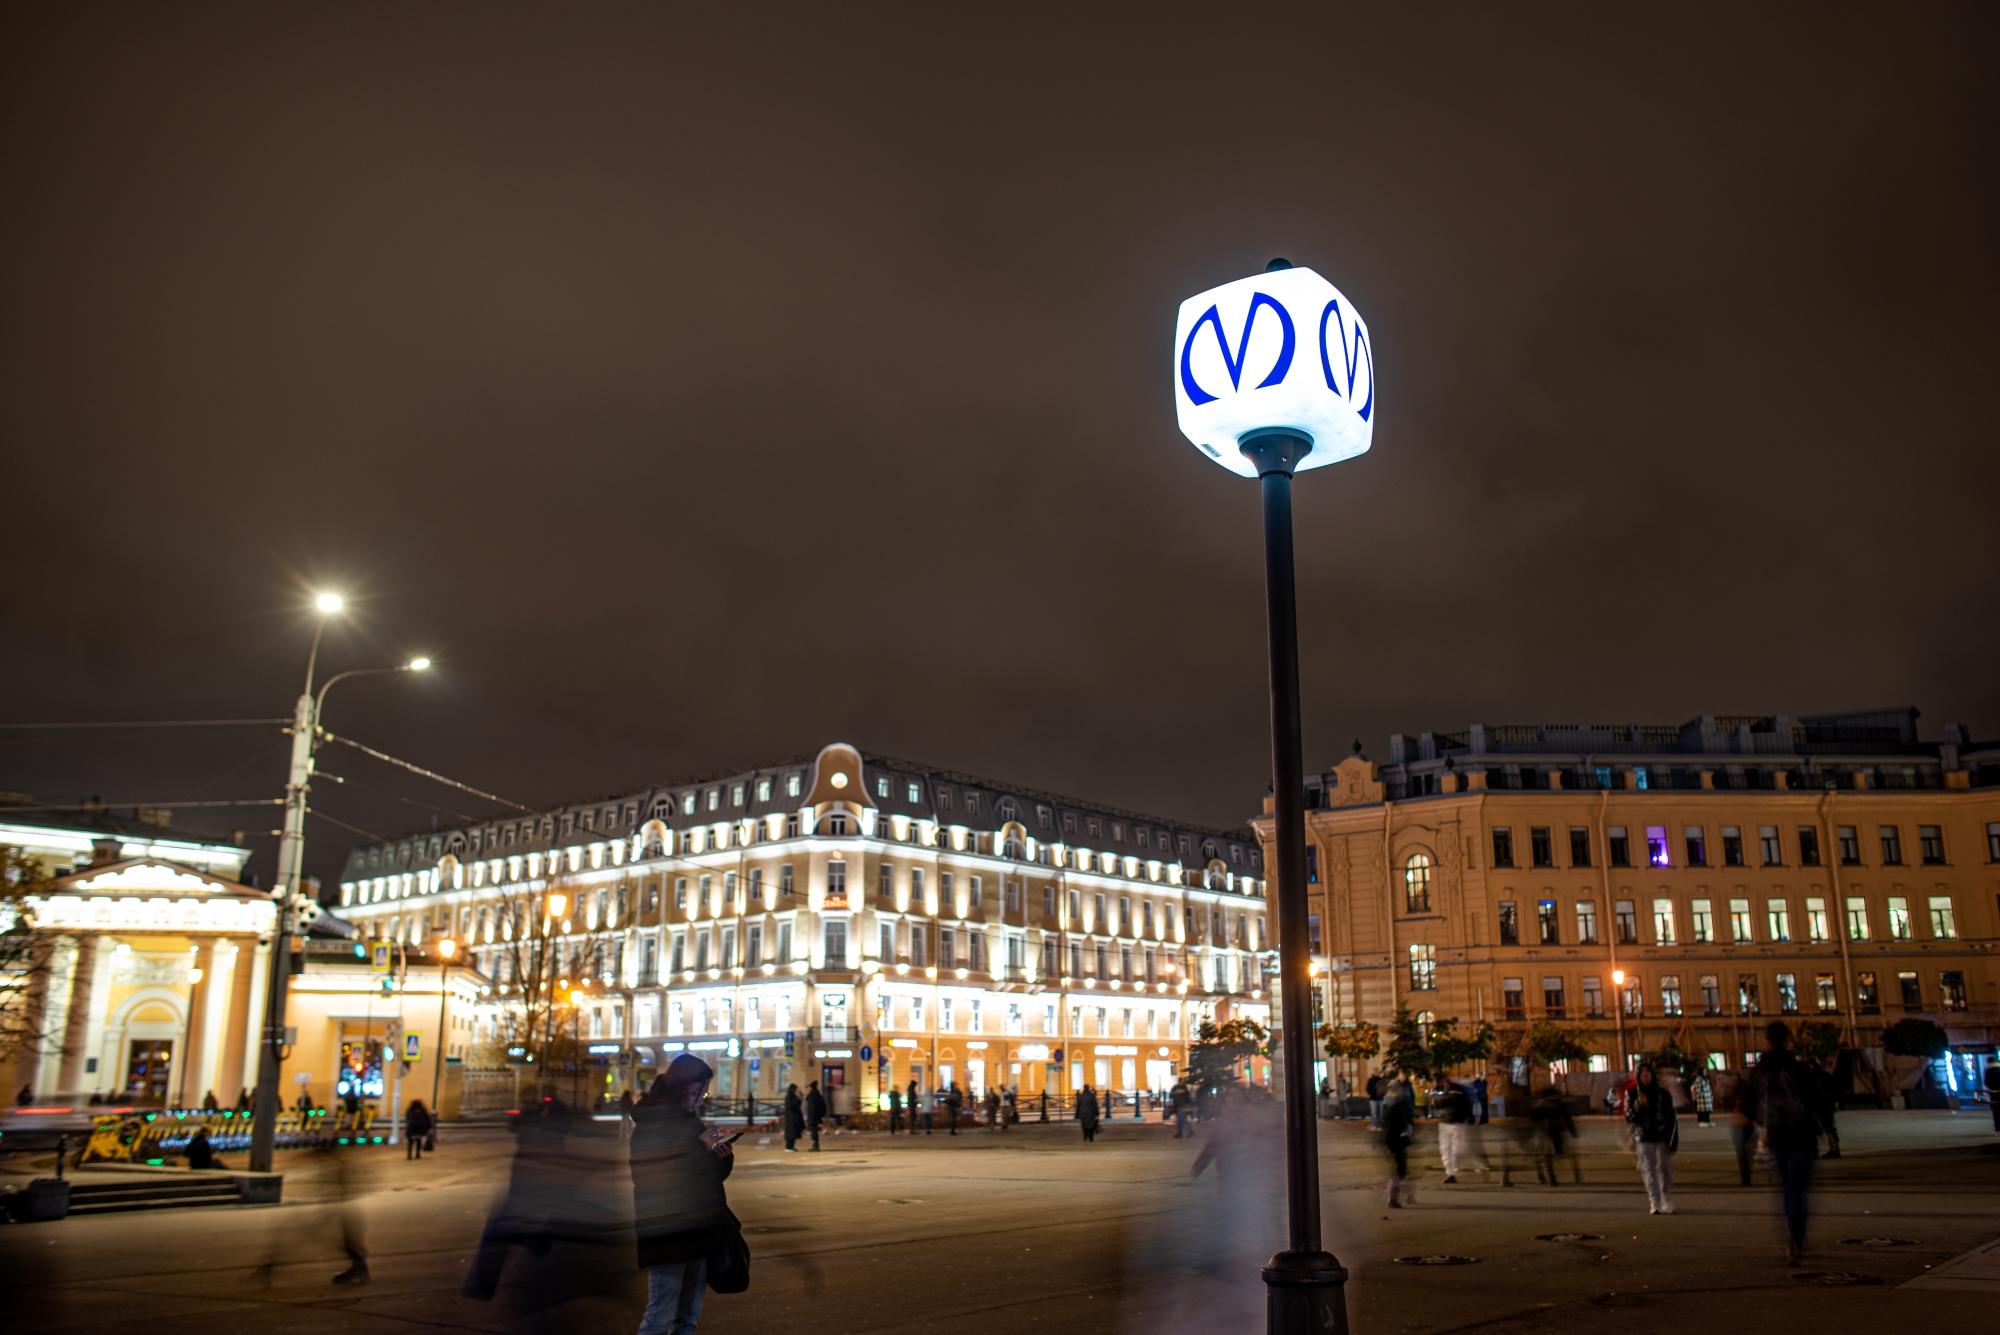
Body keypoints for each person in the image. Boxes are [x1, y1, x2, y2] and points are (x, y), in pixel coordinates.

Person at [631, 1054, 737, 1335]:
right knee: (660, 1315)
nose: (700, 1100)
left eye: (703, 1092)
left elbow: (708, 1177)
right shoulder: (652, 1123)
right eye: (695, 1093)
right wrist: (697, 1145)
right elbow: (654, 1177)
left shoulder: (689, 1122)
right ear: (679, 1088)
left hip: (699, 1230)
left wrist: (720, 1154)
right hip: (669, 1232)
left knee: (688, 1316)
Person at [1742, 1020, 1836, 1266]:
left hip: (1778, 1137)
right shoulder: (1798, 1067)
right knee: (1799, 1189)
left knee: (1787, 1188)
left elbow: (1749, 1104)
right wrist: (1827, 1128)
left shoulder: (1762, 1069)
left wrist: (1755, 1125)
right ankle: (1797, 1235)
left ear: (1767, 1040)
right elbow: (1820, 1099)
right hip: (1803, 1137)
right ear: (1787, 1039)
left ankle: (1793, 1236)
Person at [1626, 1062, 1678, 1215]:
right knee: (1649, 1171)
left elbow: (1671, 1118)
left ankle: (1666, 1199)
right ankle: (1654, 1202)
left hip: (1661, 1136)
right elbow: (1629, 1117)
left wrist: (1673, 1140)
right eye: (1642, 1073)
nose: (1646, 1075)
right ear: (1638, 1076)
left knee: (1664, 1169)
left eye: (1648, 1072)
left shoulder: (1663, 1094)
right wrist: (1638, 1105)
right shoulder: (1632, 1093)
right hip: (1643, 1137)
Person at [1528, 1085, 1576, 1186]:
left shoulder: (1546, 1104)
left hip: (1548, 1131)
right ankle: (1550, 1177)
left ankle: (1545, 1176)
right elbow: (1566, 1118)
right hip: (1547, 1131)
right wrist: (1572, 1131)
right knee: (1547, 1154)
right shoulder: (1553, 1104)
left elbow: (1566, 1118)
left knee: (1544, 1154)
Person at [1382, 1077, 1416, 1207]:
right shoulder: (1397, 1104)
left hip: (1392, 1139)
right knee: (1400, 1170)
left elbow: (1385, 1123)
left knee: (1399, 1170)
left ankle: (1405, 1196)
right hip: (1397, 1140)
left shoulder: (1387, 1102)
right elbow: (1399, 1123)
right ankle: (1394, 1198)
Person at [1435, 1079, 1473, 1183]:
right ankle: (1451, 1171)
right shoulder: (1461, 1095)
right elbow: (1468, 1107)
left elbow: (1438, 1104)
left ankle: (1451, 1172)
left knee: (1448, 1149)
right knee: (1453, 1149)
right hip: (1454, 1123)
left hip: (1448, 1123)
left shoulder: (1448, 1095)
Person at [804, 1081, 827, 1152]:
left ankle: (815, 1146)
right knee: (815, 1131)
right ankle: (815, 1145)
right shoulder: (818, 1096)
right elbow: (824, 1107)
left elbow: (812, 1107)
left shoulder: (812, 1096)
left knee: (814, 1132)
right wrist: (822, 1115)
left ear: (811, 1088)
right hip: (817, 1116)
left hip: (812, 1117)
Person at [782, 1084, 803, 1152]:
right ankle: (788, 1147)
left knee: (794, 1133)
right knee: (791, 1133)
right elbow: (792, 1105)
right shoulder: (789, 1096)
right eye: (795, 1089)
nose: (796, 1091)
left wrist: (799, 1098)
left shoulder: (793, 1096)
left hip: (794, 1117)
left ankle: (791, 1146)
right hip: (791, 1118)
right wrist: (798, 1098)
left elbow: (797, 1104)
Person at [1985, 1055, 2000, 1133]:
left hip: (1993, 1093)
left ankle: (1998, 1127)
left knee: (1996, 1111)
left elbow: (1986, 1082)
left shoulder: (1988, 1070)